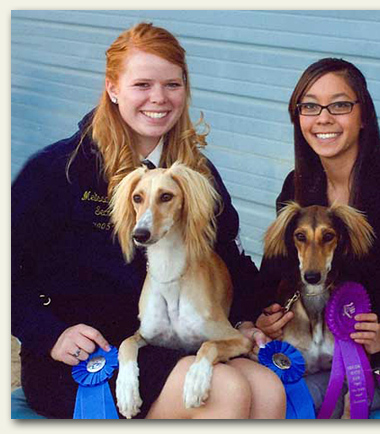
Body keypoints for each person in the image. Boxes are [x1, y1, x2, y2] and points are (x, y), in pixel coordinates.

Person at [11, 22, 285, 419]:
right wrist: (48, 333)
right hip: (89, 356)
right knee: (223, 391)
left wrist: (246, 317)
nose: (159, 98)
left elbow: (228, 258)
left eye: (172, 85)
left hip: (177, 342)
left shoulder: (196, 175)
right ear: (112, 88)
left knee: (267, 389)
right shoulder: (58, 171)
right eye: (142, 84)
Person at [255, 58, 380, 417]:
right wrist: (260, 318)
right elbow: (272, 275)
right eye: (309, 106)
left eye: (340, 105)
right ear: (297, 116)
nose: (323, 118)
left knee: (281, 405)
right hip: (317, 360)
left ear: (363, 115)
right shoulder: (298, 188)